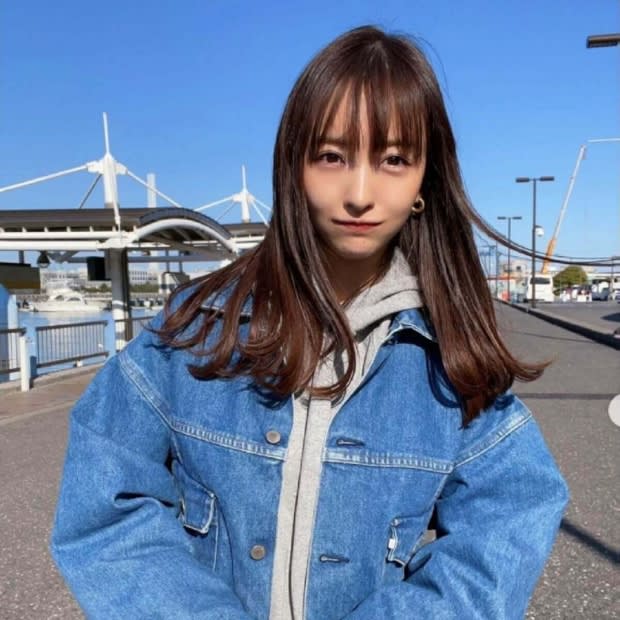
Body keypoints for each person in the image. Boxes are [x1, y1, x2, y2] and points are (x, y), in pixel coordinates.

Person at [50, 25, 568, 620]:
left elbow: (514, 511)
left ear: (425, 180)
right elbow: (105, 508)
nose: (360, 193)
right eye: (332, 156)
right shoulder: (198, 329)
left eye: (394, 159)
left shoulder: (447, 357)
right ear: (293, 165)